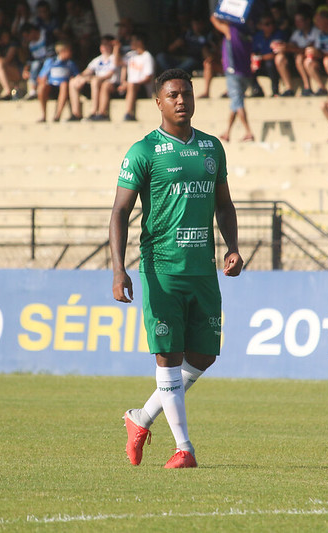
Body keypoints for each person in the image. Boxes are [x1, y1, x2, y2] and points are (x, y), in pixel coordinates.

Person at [110, 68, 243, 469]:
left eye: (186, 93)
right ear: (158, 102)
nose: (181, 100)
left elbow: (224, 203)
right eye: (173, 95)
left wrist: (232, 247)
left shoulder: (212, 148)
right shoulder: (143, 151)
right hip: (161, 269)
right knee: (167, 356)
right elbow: (119, 213)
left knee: (204, 355)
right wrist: (119, 270)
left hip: (202, 270)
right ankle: (184, 448)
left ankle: (140, 419)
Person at [210, 13, 255, 142]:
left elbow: (214, 19)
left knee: (238, 102)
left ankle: (248, 131)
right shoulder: (247, 34)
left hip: (233, 73)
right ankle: (228, 131)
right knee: (235, 103)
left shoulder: (231, 30)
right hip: (245, 73)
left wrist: (220, 11)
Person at [273, 4, 320, 96]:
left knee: (299, 58)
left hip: (315, 59)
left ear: (308, 21)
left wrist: (290, 48)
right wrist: (282, 47)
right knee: (280, 58)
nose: (297, 23)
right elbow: (291, 45)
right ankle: (289, 88)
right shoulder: (297, 33)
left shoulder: (316, 31)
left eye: (300, 21)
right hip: (296, 60)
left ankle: (307, 87)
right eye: (296, 21)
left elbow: (307, 49)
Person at [68, 34, 117, 120]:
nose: (104, 47)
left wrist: (94, 78)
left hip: (110, 83)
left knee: (95, 81)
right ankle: (76, 113)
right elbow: (88, 71)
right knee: (73, 82)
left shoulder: (115, 58)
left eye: (106, 44)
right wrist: (80, 77)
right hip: (96, 82)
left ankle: (94, 111)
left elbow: (110, 74)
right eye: (102, 44)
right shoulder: (97, 60)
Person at [36, 41, 79, 121]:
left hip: (64, 88)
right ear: (62, 51)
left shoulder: (70, 64)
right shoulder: (51, 62)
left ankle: (57, 116)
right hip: (52, 86)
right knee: (42, 87)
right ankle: (43, 115)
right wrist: (43, 80)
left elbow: (76, 76)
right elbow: (41, 77)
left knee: (64, 84)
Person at [250, 14, 291, 96]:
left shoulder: (279, 34)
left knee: (270, 64)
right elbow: (254, 51)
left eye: (272, 23)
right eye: (267, 24)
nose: (270, 26)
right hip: (261, 63)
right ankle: (256, 89)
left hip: (274, 64)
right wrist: (253, 59)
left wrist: (261, 58)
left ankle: (275, 91)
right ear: (261, 26)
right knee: (249, 66)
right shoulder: (258, 36)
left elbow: (276, 53)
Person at [118, 32, 155, 121]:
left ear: (140, 42)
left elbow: (148, 78)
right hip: (130, 87)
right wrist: (116, 48)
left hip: (143, 89)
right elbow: (117, 63)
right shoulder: (131, 55)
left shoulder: (147, 56)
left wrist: (130, 84)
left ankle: (129, 113)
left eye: (133, 40)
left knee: (131, 85)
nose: (130, 43)